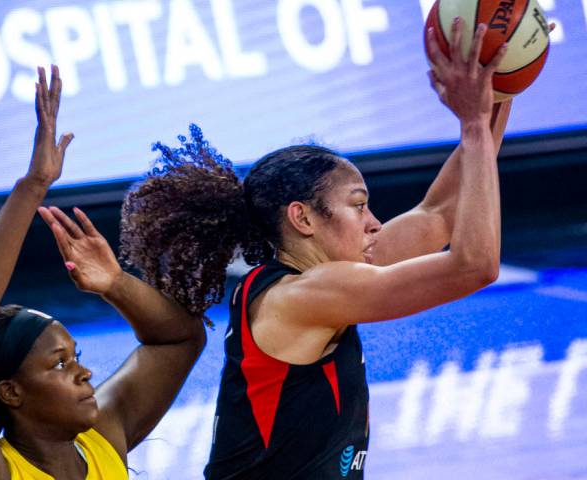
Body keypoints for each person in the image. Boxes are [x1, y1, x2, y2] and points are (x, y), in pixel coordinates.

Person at [119, 19, 511, 479]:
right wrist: (471, 126)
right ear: (302, 218)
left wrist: (496, 88)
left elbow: (441, 214)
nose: (374, 223)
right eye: (358, 206)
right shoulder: (303, 296)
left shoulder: (316, 275)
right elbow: (476, 267)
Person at [0, 65, 205, 480]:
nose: (84, 372)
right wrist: (33, 186)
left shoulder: (103, 437)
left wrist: (116, 284)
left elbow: (180, 337)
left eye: (75, 357)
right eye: (59, 364)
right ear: (10, 392)